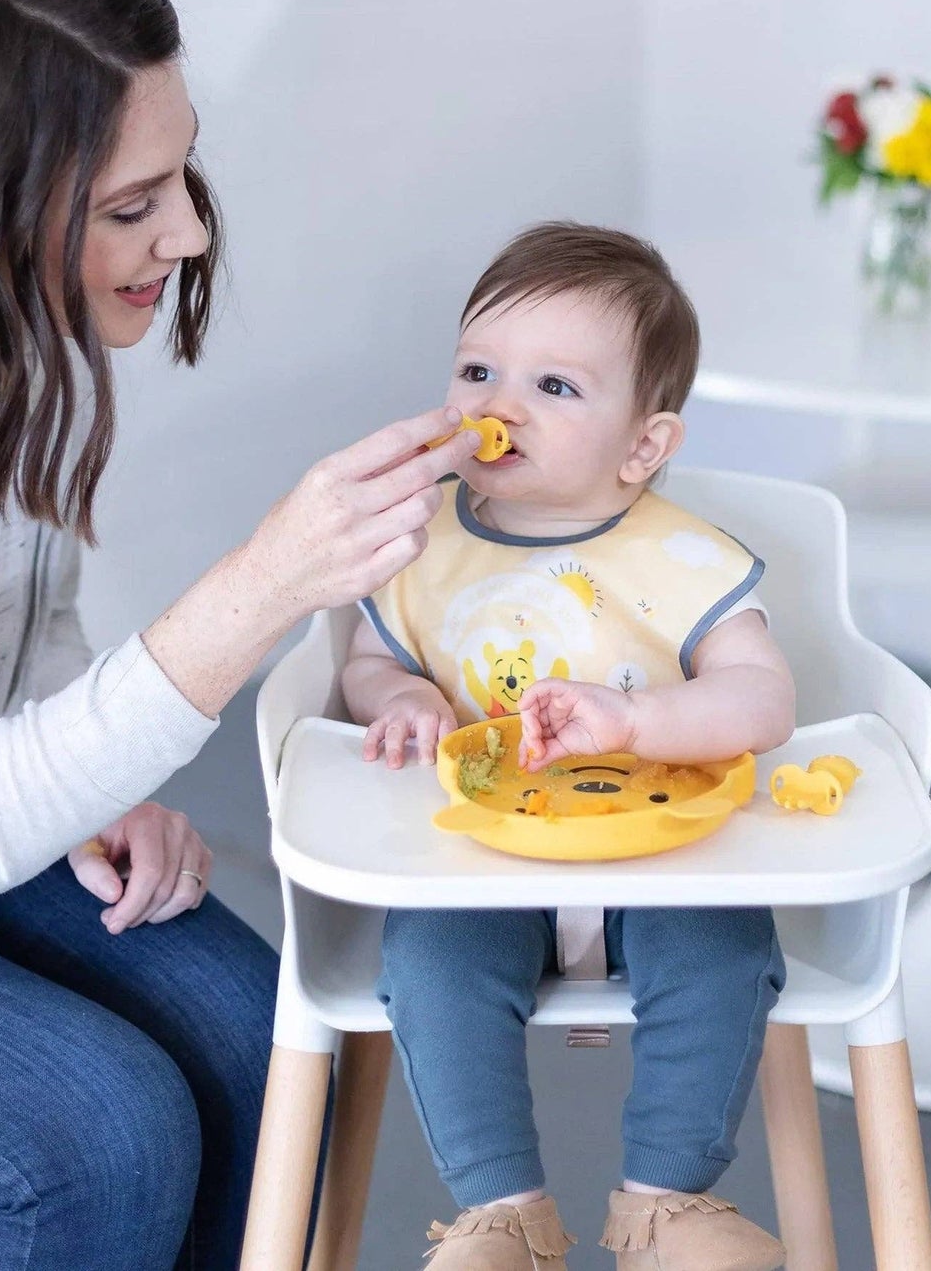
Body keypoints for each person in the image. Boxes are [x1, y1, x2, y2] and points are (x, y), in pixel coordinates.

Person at [0, 0, 478, 1270]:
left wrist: (95, 777)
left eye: (181, 178)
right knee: (99, 1133)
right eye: (133, 205)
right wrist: (263, 583)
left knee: (261, 1036)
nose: (185, 233)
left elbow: (21, 644)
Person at [342, 222, 796, 1271]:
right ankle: (502, 1215)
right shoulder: (421, 544)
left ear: (643, 444)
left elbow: (761, 698)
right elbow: (362, 666)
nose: (496, 406)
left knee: (726, 953)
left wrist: (639, 720)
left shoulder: (680, 556)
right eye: (476, 370)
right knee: (429, 964)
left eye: (553, 386)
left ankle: (663, 1205)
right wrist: (401, 692)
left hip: (658, 854)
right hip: (477, 855)